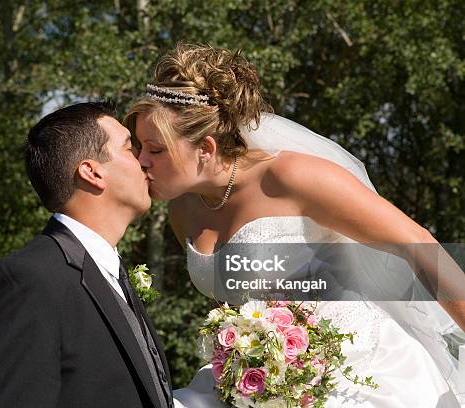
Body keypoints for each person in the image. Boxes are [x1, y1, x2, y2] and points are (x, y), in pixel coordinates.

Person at [125, 44, 465, 407]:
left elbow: (415, 242)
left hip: (358, 372)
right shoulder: (183, 211)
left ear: (205, 148)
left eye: (155, 149)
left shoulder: (290, 176)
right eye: (138, 146)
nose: (141, 160)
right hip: (265, 384)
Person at [0, 102, 173, 408]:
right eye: (130, 147)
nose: (144, 160)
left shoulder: (110, 273)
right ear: (92, 172)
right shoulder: (29, 280)